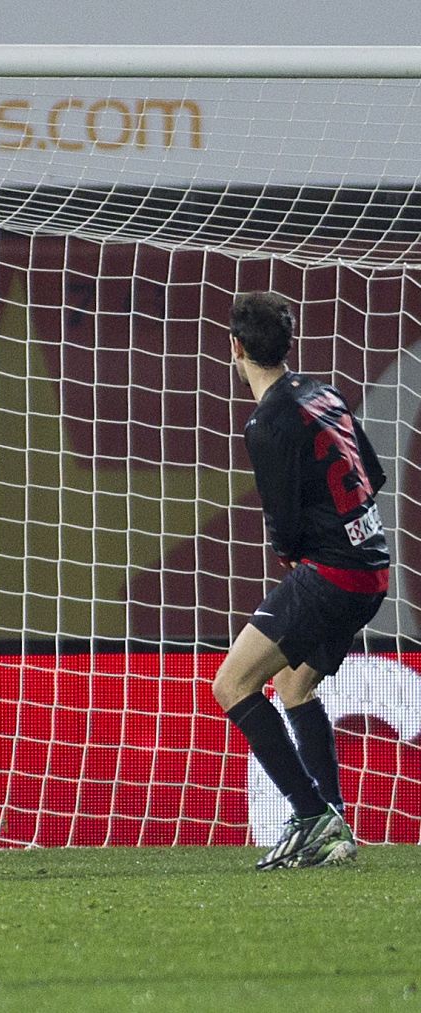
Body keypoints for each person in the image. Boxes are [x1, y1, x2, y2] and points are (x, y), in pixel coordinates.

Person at [212, 292, 389, 870]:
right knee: (292, 687)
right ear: (288, 345)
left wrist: (299, 550)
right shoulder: (324, 392)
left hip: (332, 575)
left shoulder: (266, 424)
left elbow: (284, 528)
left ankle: (311, 815)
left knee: (232, 685)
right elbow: (374, 473)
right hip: (371, 569)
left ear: (235, 347)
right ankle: (333, 826)